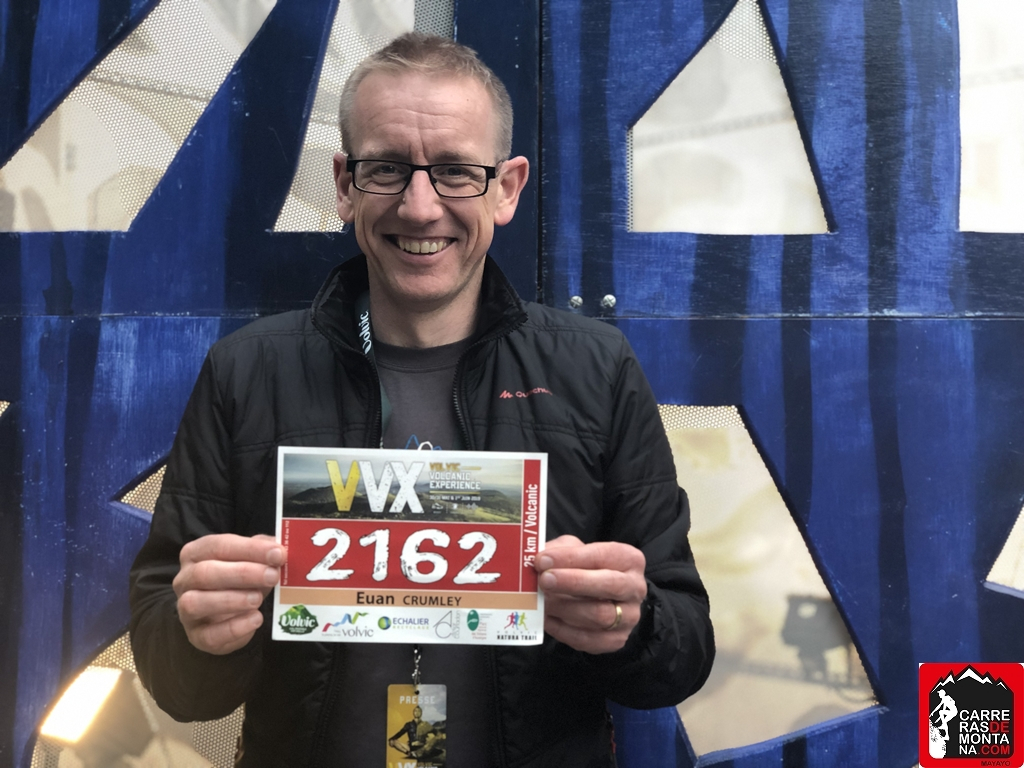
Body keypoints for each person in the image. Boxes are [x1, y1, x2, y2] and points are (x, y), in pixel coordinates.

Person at [129, 32, 714, 767]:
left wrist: (634, 624)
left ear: (507, 188)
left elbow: (684, 652)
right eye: (386, 168)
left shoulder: (596, 371)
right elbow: (174, 674)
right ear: (345, 184)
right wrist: (196, 632)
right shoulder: (245, 372)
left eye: (456, 172)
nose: (420, 205)